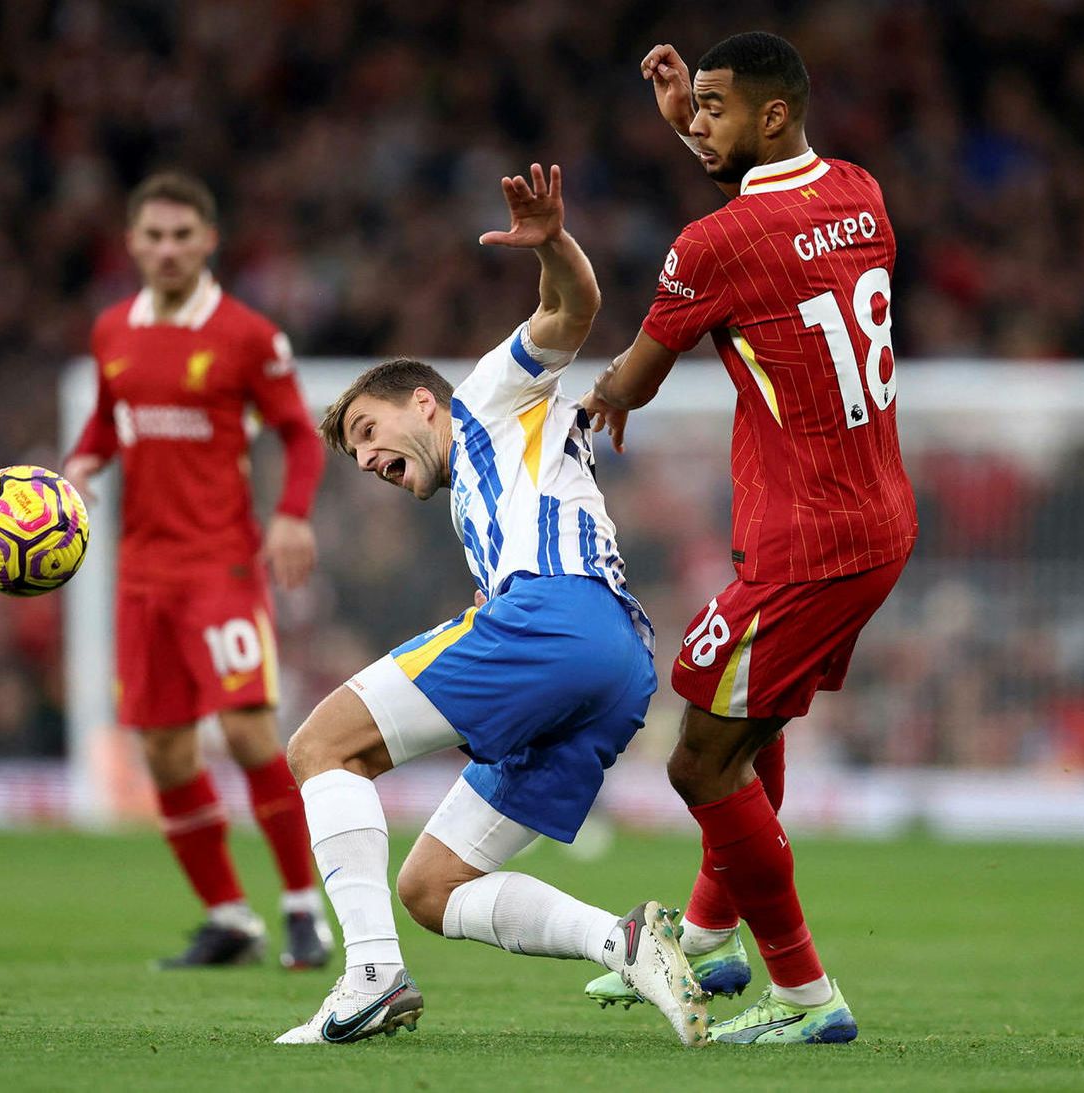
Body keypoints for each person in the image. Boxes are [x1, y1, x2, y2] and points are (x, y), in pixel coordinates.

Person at [273, 164, 709, 1047]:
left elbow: (571, 312)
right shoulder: (481, 497)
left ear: (421, 403)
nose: (366, 461)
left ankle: (369, 974)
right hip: (619, 666)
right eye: (356, 456)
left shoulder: (482, 399)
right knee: (431, 886)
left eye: (367, 432)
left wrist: (550, 240)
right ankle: (623, 940)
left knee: (321, 744)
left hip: (557, 619)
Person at [579, 33, 918, 1045]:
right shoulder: (859, 192)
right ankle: (712, 937)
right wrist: (695, 113)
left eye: (713, 108)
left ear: (769, 117)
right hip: (872, 516)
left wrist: (589, 403)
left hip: (808, 539)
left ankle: (807, 995)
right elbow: (772, 210)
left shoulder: (711, 243)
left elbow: (634, 378)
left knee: (697, 759)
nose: (695, 124)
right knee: (747, 727)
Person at [63, 171, 334, 970]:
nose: (169, 249)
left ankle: (300, 910)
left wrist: (290, 515)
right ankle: (229, 917)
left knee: (250, 730)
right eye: (155, 235)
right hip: (140, 576)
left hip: (219, 565)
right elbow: (106, 419)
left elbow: (301, 434)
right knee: (165, 756)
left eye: (184, 235)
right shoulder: (113, 329)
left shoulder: (248, 334)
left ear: (210, 240)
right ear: (132, 244)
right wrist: (83, 460)